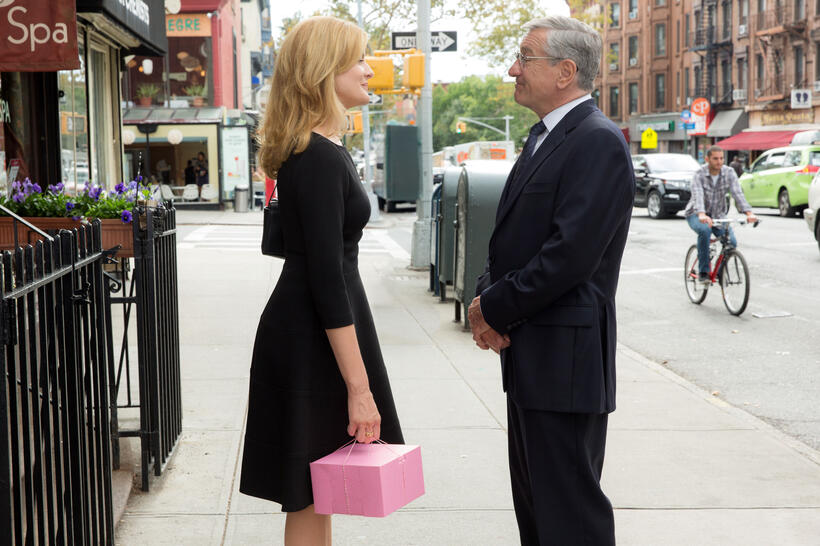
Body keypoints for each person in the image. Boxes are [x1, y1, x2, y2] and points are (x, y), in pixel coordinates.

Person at [466, 16, 634, 545]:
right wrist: (485, 295)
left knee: (570, 518)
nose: (512, 68)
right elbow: (511, 239)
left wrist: (491, 308)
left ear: (565, 71)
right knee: (538, 514)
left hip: (565, 362)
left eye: (524, 57)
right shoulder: (545, 137)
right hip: (532, 357)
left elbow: (568, 257)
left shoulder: (596, 142)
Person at [238, 16, 404, 546]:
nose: (369, 69)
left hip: (316, 330)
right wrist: (360, 389)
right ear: (322, 71)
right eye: (357, 58)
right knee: (311, 490)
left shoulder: (318, 151)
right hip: (314, 335)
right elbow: (325, 277)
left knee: (320, 487)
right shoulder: (315, 157)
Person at [685, 146, 758, 284]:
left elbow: (737, 193)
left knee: (732, 242)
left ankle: (719, 272)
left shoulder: (729, 172)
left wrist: (749, 213)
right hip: (696, 213)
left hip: (718, 215)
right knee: (705, 231)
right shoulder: (699, 174)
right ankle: (704, 272)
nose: (719, 162)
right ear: (707, 159)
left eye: (721, 158)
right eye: (715, 159)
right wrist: (702, 214)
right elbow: (698, 195)